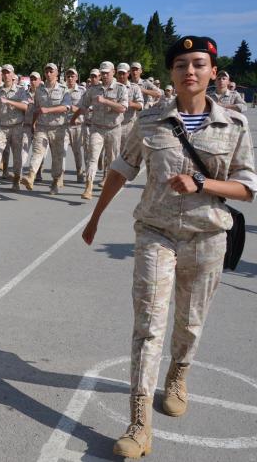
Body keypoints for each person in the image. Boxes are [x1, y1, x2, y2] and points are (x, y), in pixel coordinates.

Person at [82, 35, 257, 459]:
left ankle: (178, 374)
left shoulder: (234, 124)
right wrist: (95, 216)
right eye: (181, 64)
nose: (190, 71)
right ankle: (140, 422)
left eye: (199, 63)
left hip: (207, 235)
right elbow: (123, 167)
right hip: (155, 234)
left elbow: (247, 187)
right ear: (172, 74)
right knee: (148, 324)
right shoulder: (150, 121)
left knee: (190, 322)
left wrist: (202, 183)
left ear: (213, 72)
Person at [79, 61, 129, 199]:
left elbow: (123, 108)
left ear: (113, 72)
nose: (105, 75)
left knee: (112, 160)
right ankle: (88, 187)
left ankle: (109, 184)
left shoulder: (121, 89)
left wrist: (105, 101)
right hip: (97, 129)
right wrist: (86, 113)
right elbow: (82, 105)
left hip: (114, 129)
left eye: (107, 72)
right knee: (92, 158)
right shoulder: (94, 89)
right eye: (103, 73)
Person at [22, 63, 71, 194]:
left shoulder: (63, 89)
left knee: (57, 157)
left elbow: (66, 107)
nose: (48, 74)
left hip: (58, 128)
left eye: (51, 71)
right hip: (42, 127)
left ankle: (55, 182)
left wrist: (49, 110)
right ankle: (31, 176)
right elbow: (37, 109)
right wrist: (33, 123)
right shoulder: (39, 90)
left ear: (56, 73)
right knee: (38, 152)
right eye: (47, 71)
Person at [0, 64, 29, 192]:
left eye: (8, 72)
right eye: (4, 72)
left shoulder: (20, 91)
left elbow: (25, 107)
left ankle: (16, 180)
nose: (5, 75)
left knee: (17, 156)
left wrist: (9, 101)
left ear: (13, 74)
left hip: (16, 127)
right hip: (1, 127)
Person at [64, 68, 86, 183]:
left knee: (77, 151)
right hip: (63, 125)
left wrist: (75, 109)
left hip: (77, 126)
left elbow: (86, 109)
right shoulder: (61, 89)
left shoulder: (82, 91)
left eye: (72, 76)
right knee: (61, 151)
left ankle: (79, 171)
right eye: (68, 76)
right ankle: (59, 176)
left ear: (77, 78)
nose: (70, 78)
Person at [116, 63, 144, 148]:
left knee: (125, 155)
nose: (121, 76)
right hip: (113, 125)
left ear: (128, 73)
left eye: (123, 73)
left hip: (128, 126)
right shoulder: (112, 87)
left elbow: (141, 106)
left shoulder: (134, 88)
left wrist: (131, 104)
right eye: (119, 73)